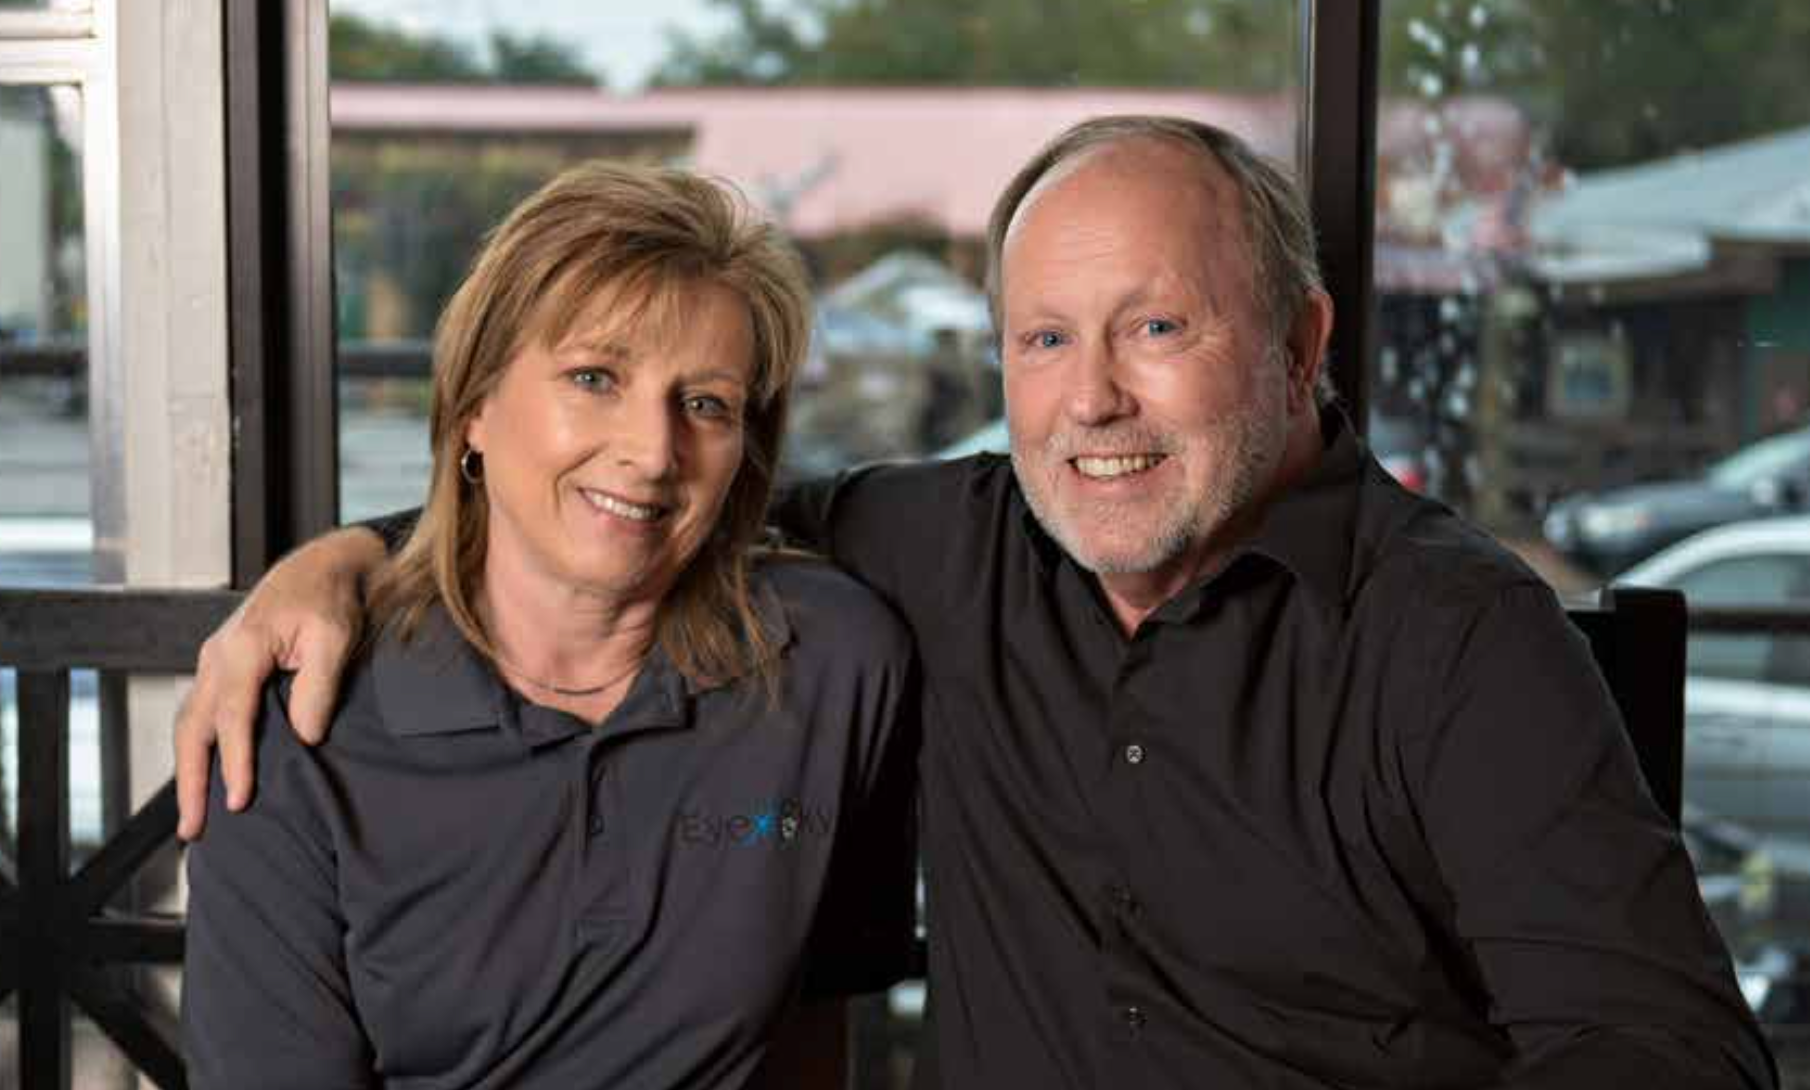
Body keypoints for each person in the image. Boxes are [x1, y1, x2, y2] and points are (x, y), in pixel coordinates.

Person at [177, 117, 1775, 1087]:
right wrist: (347, 563)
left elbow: (1667, 1056)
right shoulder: (933, 550)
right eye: (1042, 340)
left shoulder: (1454, 636)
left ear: (1298, 345)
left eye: (1155, 327)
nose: (1093, 400)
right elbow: (613, 508)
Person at [180, 161, 919, 1089]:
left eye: (705, 405)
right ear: (475, 406)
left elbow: (815, 1023)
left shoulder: (833, 662)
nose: (653, 453)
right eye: (594, 377)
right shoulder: (299, 716)